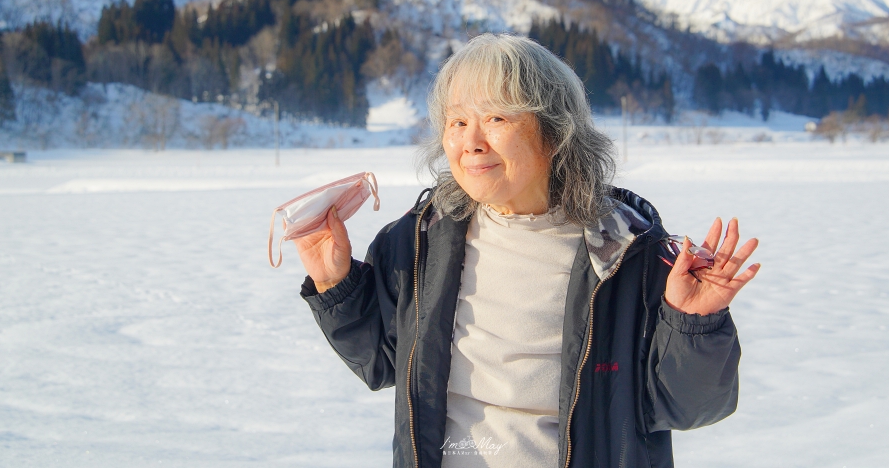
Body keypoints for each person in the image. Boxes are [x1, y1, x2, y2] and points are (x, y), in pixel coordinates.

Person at [294, 33, 760, 468]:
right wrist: (336, 284)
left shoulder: (628, 256)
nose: (471, 143)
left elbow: (688, 406)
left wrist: (693, 324)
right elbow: (382, 362)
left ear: (554, 135)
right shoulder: (417, 241)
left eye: (497, 118)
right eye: (458, 122)